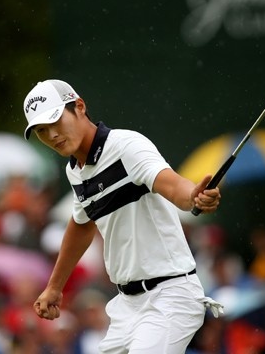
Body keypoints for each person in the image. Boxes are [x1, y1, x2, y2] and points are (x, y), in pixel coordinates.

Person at [22, 79, 223, 353]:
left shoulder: (126, 145)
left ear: (79, 107)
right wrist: (54, 287)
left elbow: (173, 185)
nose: (52, 135)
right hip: (126, 307)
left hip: (169, 297)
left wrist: (194, 196)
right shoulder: (76, 171)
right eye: (42, 131)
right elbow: (81, 224)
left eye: (56, 122)